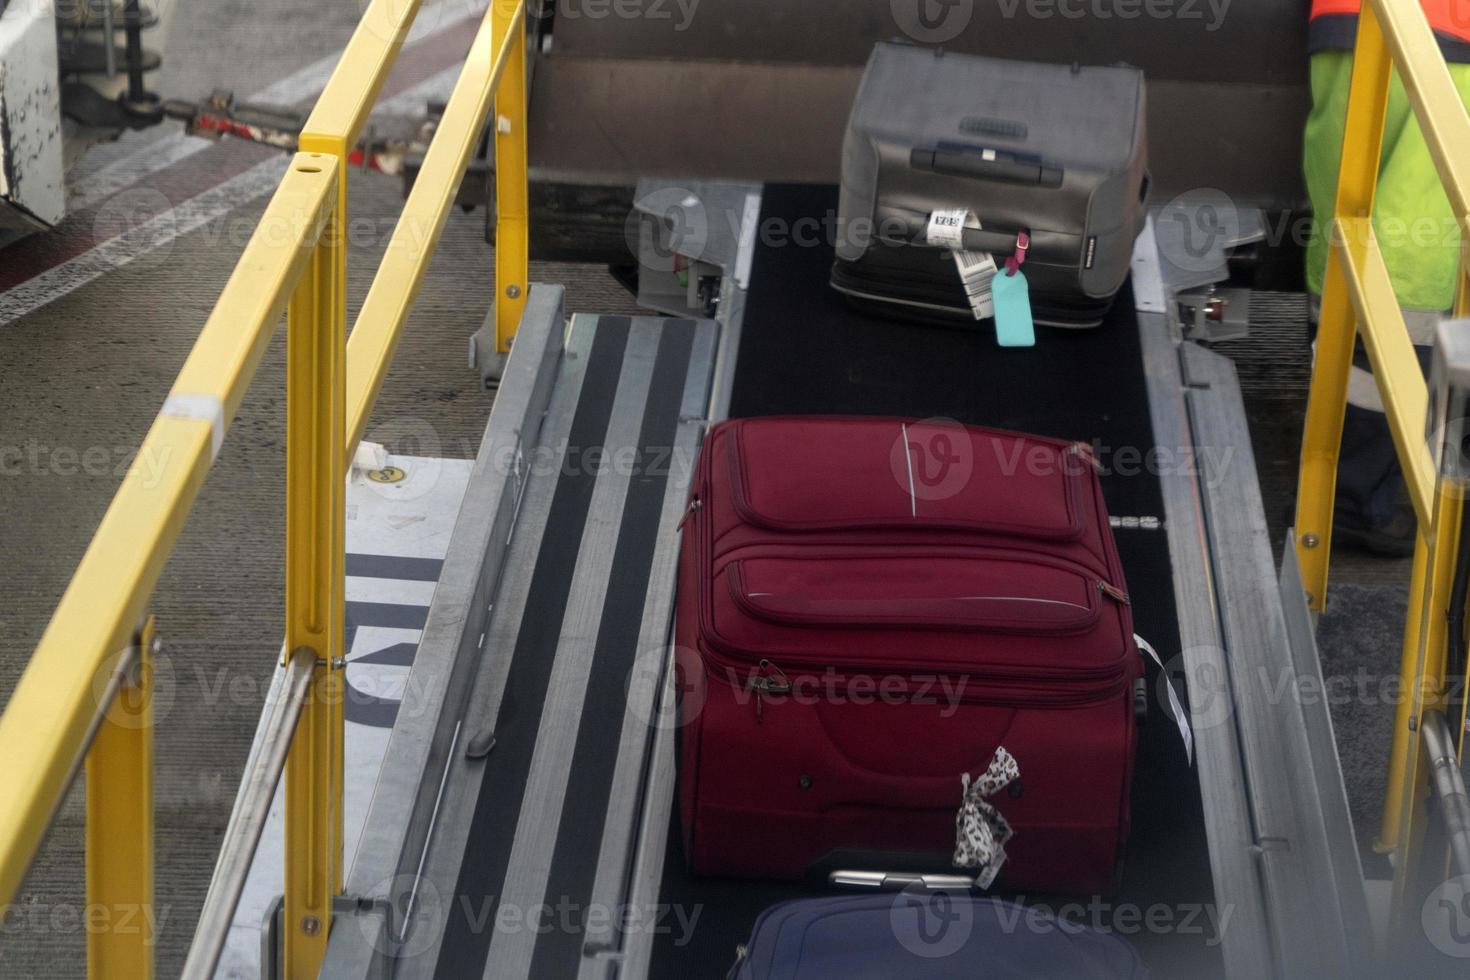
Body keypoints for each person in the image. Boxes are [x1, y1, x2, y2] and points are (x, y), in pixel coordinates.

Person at [1304, 0, 1470, 556]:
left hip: (1350, 25)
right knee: (1410, 262)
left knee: (1348, 222)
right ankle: (1353, 497)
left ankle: (1329, 483)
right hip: (1455, 47)